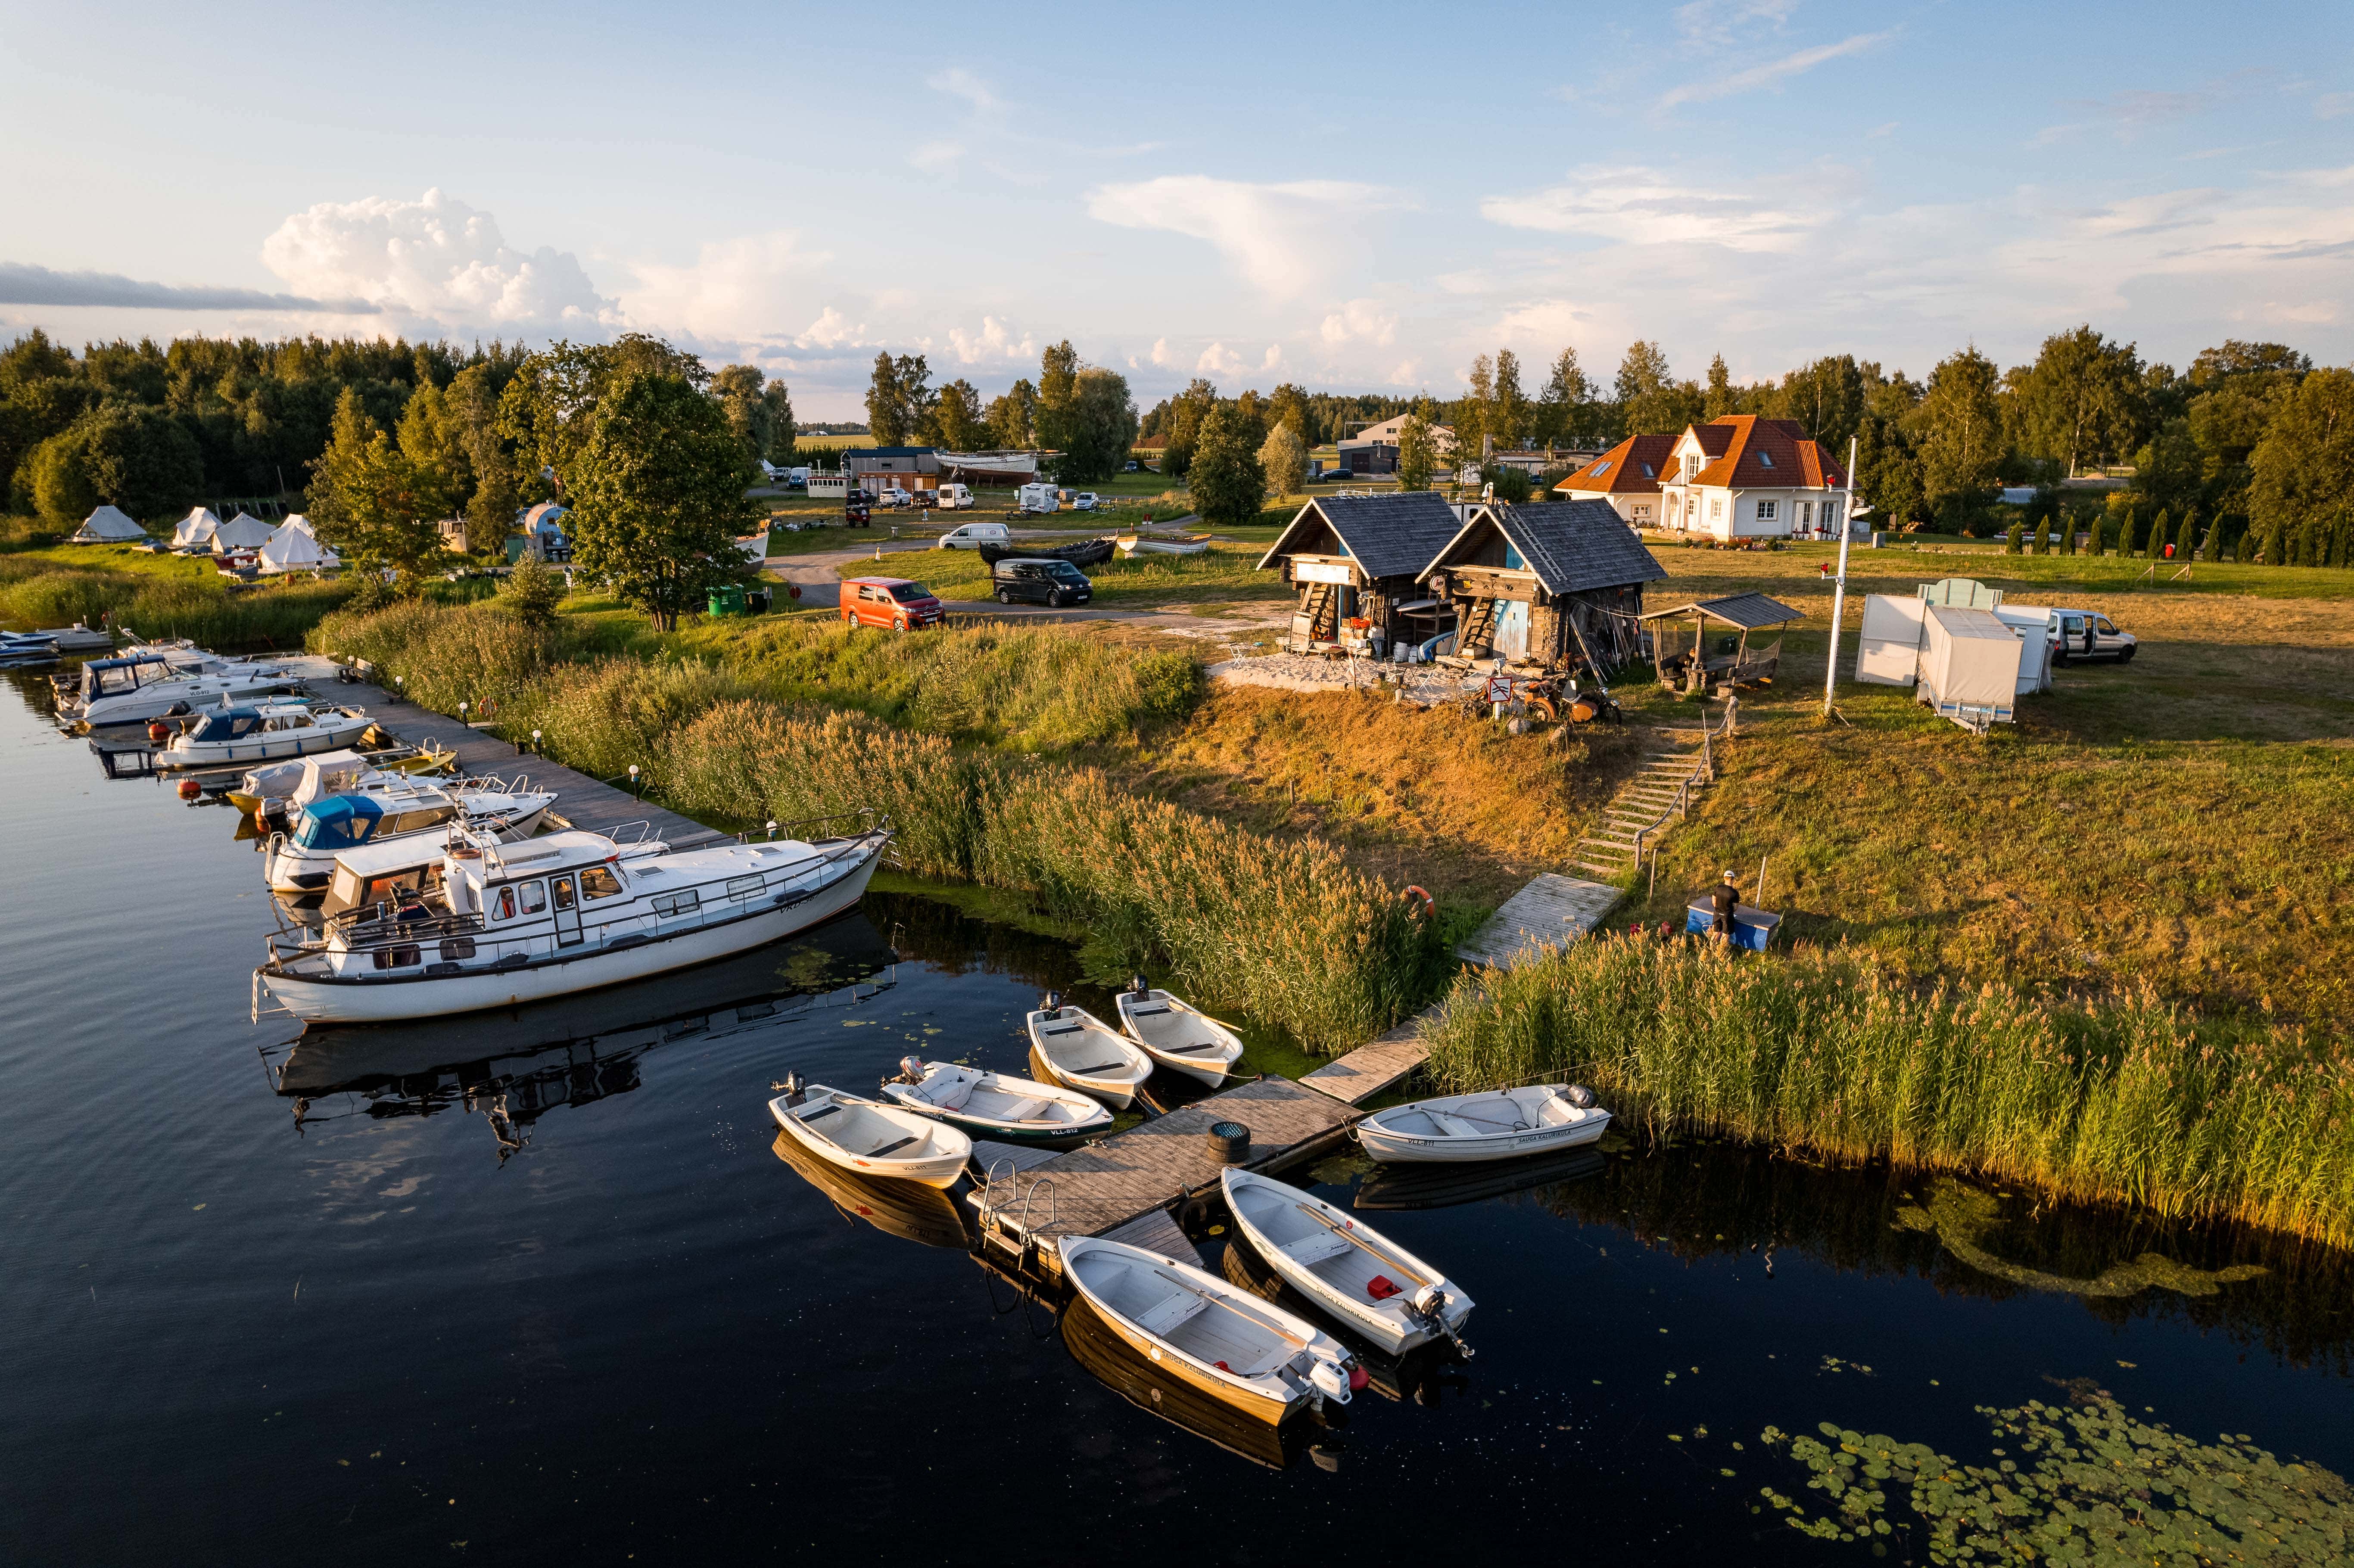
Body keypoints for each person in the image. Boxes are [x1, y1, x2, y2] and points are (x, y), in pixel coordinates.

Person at [1708, 870, 1740, 936]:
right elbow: (1736, 908)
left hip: (1717, 914)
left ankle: (1712, 947)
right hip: (1727, 916)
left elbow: (1714, 902)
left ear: (1724, 878)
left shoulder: (1718, 888)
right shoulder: (1735, 893)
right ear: (1733, 879)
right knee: (1725, 936)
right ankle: (1722, 947)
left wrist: (1718, 909)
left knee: (1715, 934)